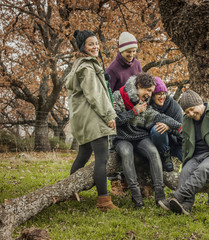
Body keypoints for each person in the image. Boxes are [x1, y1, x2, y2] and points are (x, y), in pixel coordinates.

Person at [158, 90, 209, 215]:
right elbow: (185, 143)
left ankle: (176, 197)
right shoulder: (187, 120)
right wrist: (186, 159)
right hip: (196, 156)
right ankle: (185, 206)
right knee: (185, 172)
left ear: (200, 104)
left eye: (192, 109)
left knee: (202, 169)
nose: (190, 113)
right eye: (187, 111)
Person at [65, 30, 118, 211]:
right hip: (93, 119)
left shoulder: (79, 65)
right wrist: (109, 116)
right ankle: (104, 201)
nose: (95, 47)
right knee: (102, 159)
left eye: (96, 43)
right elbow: (95, 95)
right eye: (90, 44)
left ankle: (70, 191)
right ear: (83, 47)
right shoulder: (87, 67)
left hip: (83, 119)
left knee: (83, 155)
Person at [113, 72, 182, 208]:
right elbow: (116, 120)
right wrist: (134, 111)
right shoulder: (118, 96)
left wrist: (179, 127)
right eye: (148, 90)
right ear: (139, 86)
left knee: (153, 152)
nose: (150, 94)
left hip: (140, 137)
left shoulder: (145, 102)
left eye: (151, 91)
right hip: (121, 138)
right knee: (126, 153)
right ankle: (136, 196)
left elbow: (158, 116)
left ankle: (160, 196)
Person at [106, 32, 142, 195]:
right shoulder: (112, 69)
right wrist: (111, 105)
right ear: (121, 50)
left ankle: (128, 179)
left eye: (134, 51)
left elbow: (140, 84)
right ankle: (115, 181)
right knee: (115, 146)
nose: (132, 54)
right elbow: (107, 91)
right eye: (129, 51)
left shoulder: (137, 64)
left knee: (132, 145)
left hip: (134, 112)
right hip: (118, 112)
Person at [149, 77, 183, 172]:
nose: (162, 97)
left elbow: (181, 129)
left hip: (176, 141)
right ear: (152, 95)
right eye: (158, 94)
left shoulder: (174, 106)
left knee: (189, 160)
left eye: (164, 94)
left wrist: (169, 127)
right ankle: (165, 157)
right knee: (157, 129)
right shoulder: (148, 107)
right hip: (158, 142)